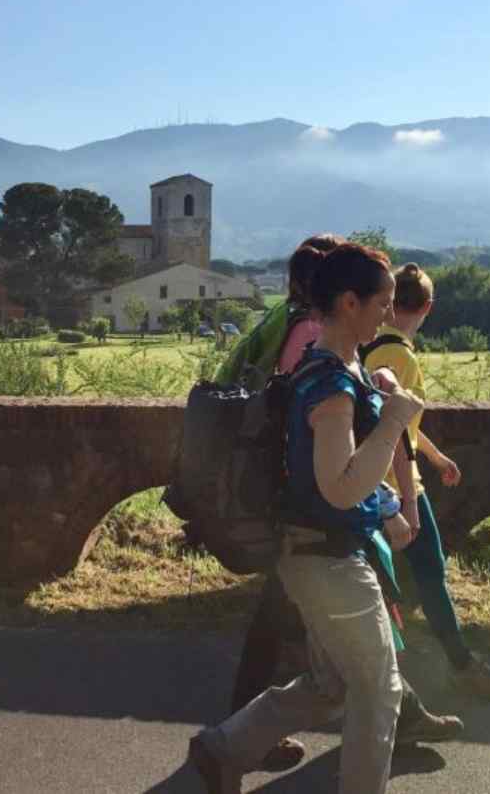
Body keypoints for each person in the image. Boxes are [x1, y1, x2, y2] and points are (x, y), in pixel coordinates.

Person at [188, 243, 443, 794]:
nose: (389, 312)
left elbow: (337, 479)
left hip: (314, 552)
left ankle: (222, 750)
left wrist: (389, 508)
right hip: (328, 560)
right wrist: (394, 421)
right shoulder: (332, 385)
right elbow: (340, 487)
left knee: (331, 685)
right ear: (349, 303)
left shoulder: (335, 367)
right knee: (379, 690)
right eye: (383, 302)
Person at [361, 263, 490, 698]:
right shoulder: (400, 356)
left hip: (377, 481)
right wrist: (409, 498)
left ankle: (383, 675)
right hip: (397, 486)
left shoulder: (373, 347)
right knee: (430, 575)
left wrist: (434, 455)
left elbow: (398, 418)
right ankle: (460, 667)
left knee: (387, 581)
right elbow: (392, 425)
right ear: (428, 307)